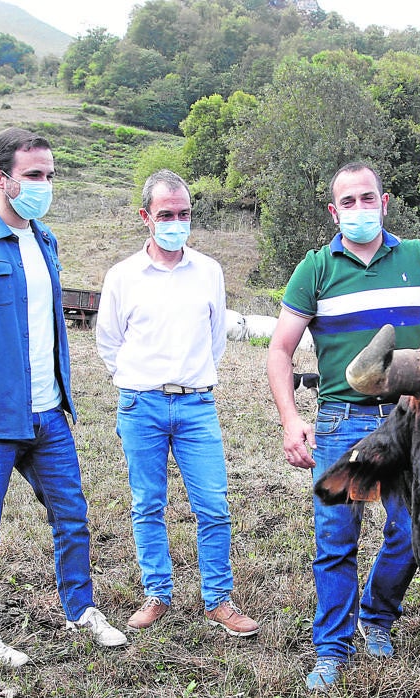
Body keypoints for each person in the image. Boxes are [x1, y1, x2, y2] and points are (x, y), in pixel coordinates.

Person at [266, 162, 420, 691]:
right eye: (349, 202)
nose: (360, 210)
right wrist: (291, 419)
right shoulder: (316, 269)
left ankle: (378, 615)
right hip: (342, 422)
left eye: (368, 199)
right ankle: (330, 649)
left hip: (412, 420)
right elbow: (280, 348)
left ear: (385, 202)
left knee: (415, 531)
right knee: (335, 539)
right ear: (334, 211)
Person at [0, 126, 127, 669]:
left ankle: (81, 610)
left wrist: (61, 397)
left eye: (50, 175)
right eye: (34, 175)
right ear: (1, 178)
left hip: (48, 413)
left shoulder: (45, 240)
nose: (45, 185)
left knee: (73, 516)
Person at [95, 170, 260, 637]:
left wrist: (191, 380)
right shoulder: (123, 276)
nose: (176, 222)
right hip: (140, 406)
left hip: (195, 406)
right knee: (147, 504)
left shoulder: (208, 271)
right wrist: (136, 382)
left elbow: (214, 341)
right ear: (146, 217)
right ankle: (157, 593)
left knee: (213, 505)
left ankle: (219, 600)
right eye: (166, 214)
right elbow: (109, 342)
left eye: (184, 214)